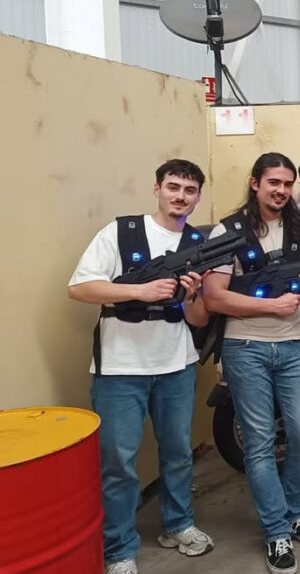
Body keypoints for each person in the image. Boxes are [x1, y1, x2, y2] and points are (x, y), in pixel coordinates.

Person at [68, 160, 215, 574]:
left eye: (189, 190)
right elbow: (79, 287)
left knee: (178, 453)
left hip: (176, 362)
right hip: (120, 366)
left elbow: (199, 319)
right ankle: (119, 548)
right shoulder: (121, 232)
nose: (180, 196)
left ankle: (178, 524)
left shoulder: (197, 243)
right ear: (157, 189)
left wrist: (192, 294)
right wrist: (140, 290)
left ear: (198, 197)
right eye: (173, 187)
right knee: (118, 462)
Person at [203, 153, 300, 574]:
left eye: (287, 183)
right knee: (260, 442)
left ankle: (293, 512)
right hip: (245, 347)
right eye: (273, 182)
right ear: (255, 183)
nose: (281, 190)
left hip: (294, 345)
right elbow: (214, 296)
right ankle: (276, 530)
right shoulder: (229, 231)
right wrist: (270, 306)